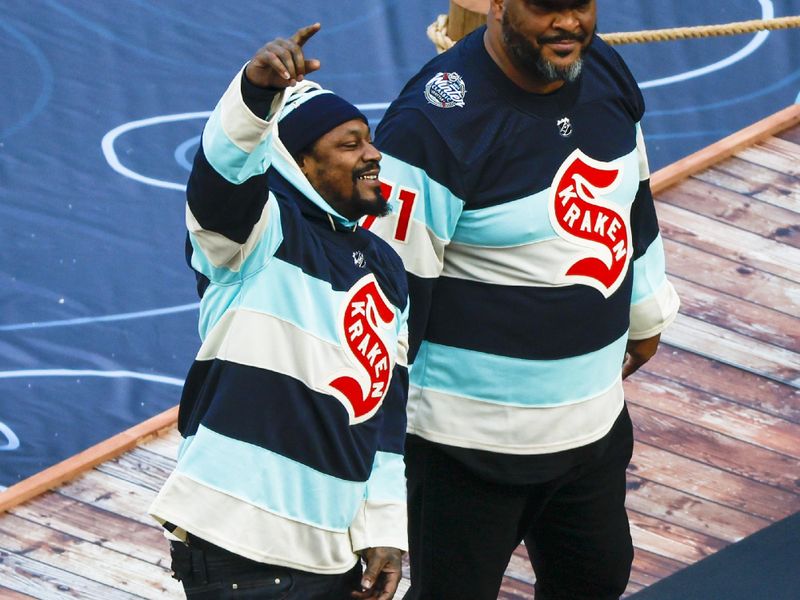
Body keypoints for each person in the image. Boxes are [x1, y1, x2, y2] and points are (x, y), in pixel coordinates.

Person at [365, 1, 681, 598]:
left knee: (597, 580)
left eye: (579, 4)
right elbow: (388, 310)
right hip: (467, 452)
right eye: (545, 6)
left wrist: (647, 310)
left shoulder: (604, 71)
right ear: (498, 5)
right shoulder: (428, 128)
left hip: (591, 425)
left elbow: (633, 197)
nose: (568, 23)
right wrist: (376, 487)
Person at [149, 24, 409, 600]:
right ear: (297, 165)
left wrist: (386, 529)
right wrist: (254, 93)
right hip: (241, 550)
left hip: (331, 552)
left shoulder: (387, 270)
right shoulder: (257, 238)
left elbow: (386, 411)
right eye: (348, 145)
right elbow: (221, 178)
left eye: (367, 140)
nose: (372, 155)